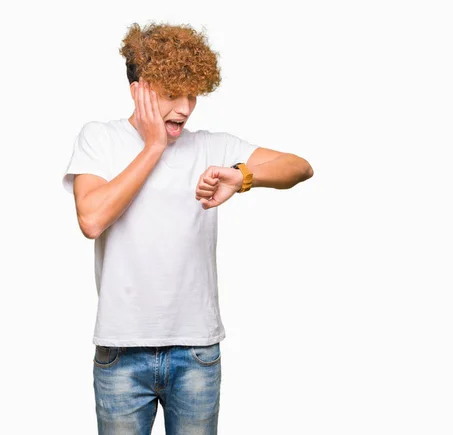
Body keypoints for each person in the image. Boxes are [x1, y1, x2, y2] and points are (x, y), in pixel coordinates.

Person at [61, 21, 313, 435]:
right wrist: (154, 146)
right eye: (170, 93)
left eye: (192, 94)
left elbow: (299, 167)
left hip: (196, 351)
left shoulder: (212, 146)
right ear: (138, 89)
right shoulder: (99, 139)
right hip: (121, 351)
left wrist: (242, 176)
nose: (184, 108)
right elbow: (91, 219)